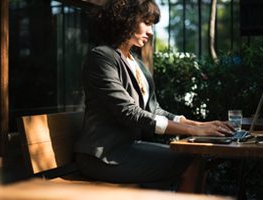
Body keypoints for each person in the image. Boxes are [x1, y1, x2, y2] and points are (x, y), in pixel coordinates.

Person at [74, 0, 233, 190]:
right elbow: (129, 112)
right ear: (127, 19)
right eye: (146, 22)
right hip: (103, 156)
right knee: (191, 162)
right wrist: (194, 131)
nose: (150, 31)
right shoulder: (102, 57)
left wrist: (201, 125)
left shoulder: (137, 63)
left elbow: (153, 109)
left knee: (197, 157)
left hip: (128, 148)